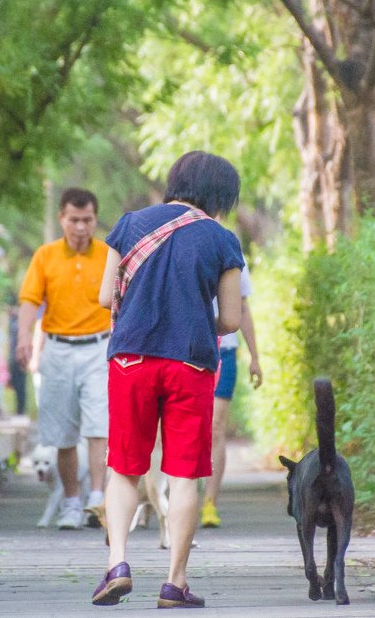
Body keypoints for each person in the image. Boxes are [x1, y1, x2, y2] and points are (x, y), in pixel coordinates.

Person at [92, 151, 244, 609]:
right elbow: (232, 319)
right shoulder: (221, 239)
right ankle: (174, 582)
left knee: (124, 467)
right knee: (183, 475)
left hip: (131, 361)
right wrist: (194, 322)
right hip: (190, 365)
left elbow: (104, 296)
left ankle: (117, 563)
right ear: (218, 195)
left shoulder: (130, 223)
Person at [16, 188, 110, 530]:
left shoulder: (108, 255)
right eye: (74, 220)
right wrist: (24, 337)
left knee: (100, 424)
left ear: (95, 220)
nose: (81, 228)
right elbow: (29, 299)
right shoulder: (46, 256)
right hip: (57, 348)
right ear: (62, 219)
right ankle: (71, 501)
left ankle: (97, 499)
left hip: (100, 347)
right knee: (64, 431)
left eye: (87, 220)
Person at [201, 264, 263, 528]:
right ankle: (169, 499)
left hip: (224, 350)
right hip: (186, 347)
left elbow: (243, 307)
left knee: (215, 426)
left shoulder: (229, 252)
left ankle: (208, 503)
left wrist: (255, 358)